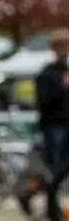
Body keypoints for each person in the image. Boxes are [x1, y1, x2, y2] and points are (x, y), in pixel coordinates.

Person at [36, 28, 70, 172]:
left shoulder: (66, 70)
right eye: (62, 46)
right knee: (55, 165)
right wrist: (61, 86)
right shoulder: (47, 73)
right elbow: (43, 100)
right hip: (54, 125)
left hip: (67, 123)